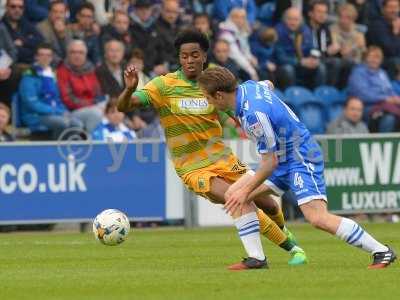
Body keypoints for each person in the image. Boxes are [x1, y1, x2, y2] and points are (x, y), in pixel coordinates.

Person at [118, 29, 307, 270]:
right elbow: (124, 106)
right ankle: (284, 250)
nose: (189, 61)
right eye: (184, 56)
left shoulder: (213, 84)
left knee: (269, 205)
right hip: (193, 168)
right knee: (237, 197)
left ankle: (284, 237)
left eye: (194, 55)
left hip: (224, 159)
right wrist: (129, 89)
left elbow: (238, 111)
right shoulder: (164, 85)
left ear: (204, 56)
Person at [198, 66, 397, 269]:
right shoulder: (248, 87)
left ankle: (382, 251)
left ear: (220, 95)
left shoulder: (253, 116)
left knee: (317, 217)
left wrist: (246, 190)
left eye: (208, 97)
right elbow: (269, 85)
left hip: (300, 156)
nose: (208, 102)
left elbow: (269, 163)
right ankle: (256, 259)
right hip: (283, 157)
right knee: (234, 194)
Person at [19, 43, 83, 140]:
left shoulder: (51, 75)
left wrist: (64, 111)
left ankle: (68, 150)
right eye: (42, 55)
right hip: (35, 115)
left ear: (52, 58)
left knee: (77, 124)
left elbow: (57, 99)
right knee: (62, 123)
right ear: (36, 57)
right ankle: (56, 151)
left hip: (53, 113)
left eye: (48, 55)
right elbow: (32, 103)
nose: (45, 58)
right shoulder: (29, 76)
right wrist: (55, 111)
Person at [348, 46, 400, 132]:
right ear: (366, 58)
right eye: (371, 57)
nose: (374, 60)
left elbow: (390, 91)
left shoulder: (382, 73)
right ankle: (384, 142)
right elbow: (363, 94)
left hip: (386, 105)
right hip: (366, 107)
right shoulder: (358, 72)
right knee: (389, 118)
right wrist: (385, 98)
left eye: (377, 57)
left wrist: (395, 98)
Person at [57, 40, 103, 133]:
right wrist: (92, 104)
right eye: (73, 52)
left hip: (93, 106)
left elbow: (98, 92)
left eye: (80, 52)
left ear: (85, 55)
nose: (77, 55)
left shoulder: (91, 69)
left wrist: (101, 104)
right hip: (71, 111)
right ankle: (90, 142)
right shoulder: (62, 71)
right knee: (96, 113)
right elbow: (67, 99)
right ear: (68, 54)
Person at [275, 7, 326, 89]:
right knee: (288, 69)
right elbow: (280, 58)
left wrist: (314, 59)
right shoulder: (278, 32)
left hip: (303, 63)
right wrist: (300, 62)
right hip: (286, 65)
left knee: (320, 67)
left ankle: (318, 95)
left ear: (300, 21)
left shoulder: (305, 30)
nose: (293, 22)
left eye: (296, 20)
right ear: (284, 20)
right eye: (290, 19)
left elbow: (312, 48)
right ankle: (292, 96)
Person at [330, 3, 366, 88]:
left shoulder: (359, 32)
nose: (343, 20)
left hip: (357, 62)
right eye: (341, 17)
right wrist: (355, 45)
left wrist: (357, 47)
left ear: (353, 19)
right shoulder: (333, 29)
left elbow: (364, 51)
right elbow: (343, 53)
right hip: (341, 61)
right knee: (349, 63)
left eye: (348, 18)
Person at [218, 8, 259, 81]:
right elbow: (236, 55)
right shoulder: (226, 33)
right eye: (237, 17)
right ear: (231, 18)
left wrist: (250, 58)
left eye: (243, 17)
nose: (240, 20)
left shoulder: (241, 31)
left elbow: (245, 49)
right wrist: (251, 70)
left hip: (242, 63)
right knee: (252, 74)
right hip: (230, 64)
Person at [129, 0, 166, 76]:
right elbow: (133, 52)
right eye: (141, 9)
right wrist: (149, 69)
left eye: (147, 9)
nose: (144, 12)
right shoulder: (130, 27)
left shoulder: (156, 27)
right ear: (136, 10)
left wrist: (161, 64)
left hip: (156, 70)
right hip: (138, 70)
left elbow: (161, 48)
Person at [2, 0, 44, 64]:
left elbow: (40, 40)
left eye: (20, 7)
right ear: (6, 7)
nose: (17, 10)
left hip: (29, 65)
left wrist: (24, 41)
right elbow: (13, 52)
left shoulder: (25, 23)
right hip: (9, 67)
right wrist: (31, 49)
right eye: (13, 6)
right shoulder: (2, 26)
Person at [367, 0, 400, 78]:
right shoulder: (377, 25)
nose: (394, 10)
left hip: (394, 58)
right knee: (395, 61)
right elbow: (390, 51)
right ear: (383, 9)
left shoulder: (396, 24)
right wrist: (395, 33)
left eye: (396, 7)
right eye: (390, 7)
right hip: (379, 60)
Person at [36, 0, 73, 64]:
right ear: (49, 13)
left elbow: (70, 50)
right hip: (49, 63)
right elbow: (46, 50)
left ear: (65, 14)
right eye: (55, 12)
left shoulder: (68, 28)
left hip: (68, 64)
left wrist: (62, 36)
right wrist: (62, 64)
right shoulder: (41, 28)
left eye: (61, 12)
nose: (58, 15)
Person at [155, 0, 184, 72]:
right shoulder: (154, 28)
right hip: (160, 69)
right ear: (161, 11)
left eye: (175, 12)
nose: (172, 15)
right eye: (168, 11)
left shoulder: (183, 28)